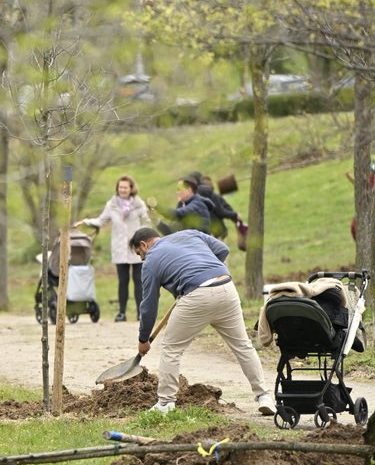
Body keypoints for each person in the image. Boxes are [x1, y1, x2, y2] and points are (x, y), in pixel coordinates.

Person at [129, 226, 275, 416]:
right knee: (243, 346)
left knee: (171, 348)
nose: (142, 259)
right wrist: (208, 272)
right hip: (226, 289)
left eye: (140, 254)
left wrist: (143, 339)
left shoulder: (150, 262)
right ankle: (264, 396)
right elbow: (223, 249)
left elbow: (148, 304)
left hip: (197, 297)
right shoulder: (188, 233)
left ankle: (165, 404)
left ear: (144, 244)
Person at [79, 175, 152, 322]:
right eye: (120, 187)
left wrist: (143, 238)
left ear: (131, 189)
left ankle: (140, 313)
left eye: (125, 187)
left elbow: (147, 222)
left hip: (137, 248)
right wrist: (85, 222)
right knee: (122, 281)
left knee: (139, 281)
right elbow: (101, 220)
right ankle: (122, 313)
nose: (123, 189)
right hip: (119, 248)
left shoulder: (139, 204)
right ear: (117, 189)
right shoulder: (111, 205)